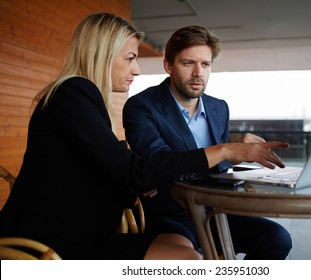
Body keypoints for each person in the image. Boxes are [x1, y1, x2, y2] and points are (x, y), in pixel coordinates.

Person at [0, 14, 288, 260]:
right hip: (51, 244)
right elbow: (132, 171)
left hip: (79, 234)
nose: (136, 69)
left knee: (190, 249)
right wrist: (225, 151)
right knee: (188, 260)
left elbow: (108, 172)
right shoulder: (72, 94)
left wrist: (138, 180)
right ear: (101, 55)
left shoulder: (82, 99)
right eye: (130, 58)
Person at [122, 25, 292, 259]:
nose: (198, 73)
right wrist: (227, 149)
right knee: (191, 259)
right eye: (188, 63)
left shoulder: (219, 107)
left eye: (205, 64)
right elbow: (159, 163)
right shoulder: (142, 106)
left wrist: (237, 149)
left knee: (277, 239)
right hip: (172, 214)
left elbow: (220, 166)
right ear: (168, 66)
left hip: (217, 211)